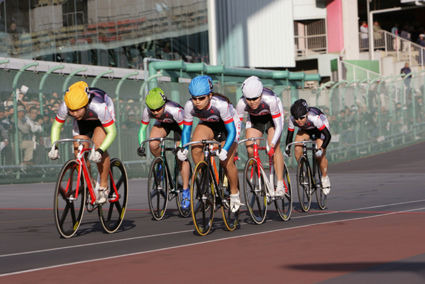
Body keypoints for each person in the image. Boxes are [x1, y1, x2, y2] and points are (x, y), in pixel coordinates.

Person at [177, 75, 242, 212]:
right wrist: (183, 147)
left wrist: (224, 149)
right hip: (208, 124)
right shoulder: (189, 106)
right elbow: (187, 129)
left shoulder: (221, 105)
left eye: (201, 98)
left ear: (210, 96)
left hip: (228, 128)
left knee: (227, 162)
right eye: (194, 98)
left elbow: (232, 131)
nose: (197, 102)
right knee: (195, 147)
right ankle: (205, 181)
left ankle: (234, 193)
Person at [48, 81, 117, 204]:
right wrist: (54, 146)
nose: (73, 114)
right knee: (78, 152)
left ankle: (104, 185)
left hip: (100, 117)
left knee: (98, 144)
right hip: (83, 121)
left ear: (85, 105)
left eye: (77, 110)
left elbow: (112, 132)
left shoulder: (99, 106)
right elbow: (56, 126)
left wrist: (100, 150)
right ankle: (90, 184)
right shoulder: (66, 106)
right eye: (71, 111)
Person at [136, 88, 190, 209]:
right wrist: (141, 145)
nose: (155, 112)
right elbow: (142, 130)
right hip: (163, 123)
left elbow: (186, 131)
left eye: (158, 109)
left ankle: (186, 191)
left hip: (179, 125)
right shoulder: (147, 111)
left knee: (181, 156)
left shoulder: (175, 111)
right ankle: (160, 162)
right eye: (152, 110)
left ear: (164, 104)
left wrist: (181, 146)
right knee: (152, 144)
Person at [236, 76, 286, 197]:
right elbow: (237, 125)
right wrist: (234, 143)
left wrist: (273, 144)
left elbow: (279, 126)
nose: (252, 102)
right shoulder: (241, 103)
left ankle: (280, 183)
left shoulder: (271, 100)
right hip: (255, 119)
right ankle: (258, 174)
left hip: (272, 119)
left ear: (261, 95)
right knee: (250, 148)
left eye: (255, 99)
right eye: (249, 99)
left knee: (274, 148)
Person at [285, 99, 332, 195]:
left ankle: (324, 177)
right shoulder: (292, 119)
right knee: (297, 147)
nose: (299, 121)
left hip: (320, 130)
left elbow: (328, 136)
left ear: (306, 114)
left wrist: (321, 149)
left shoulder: (314, 118)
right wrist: (287, 148)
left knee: (320, 155)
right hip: (306, 130)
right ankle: (304, 172)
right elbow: (290, 135)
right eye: (296, 118)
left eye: (302, 118)